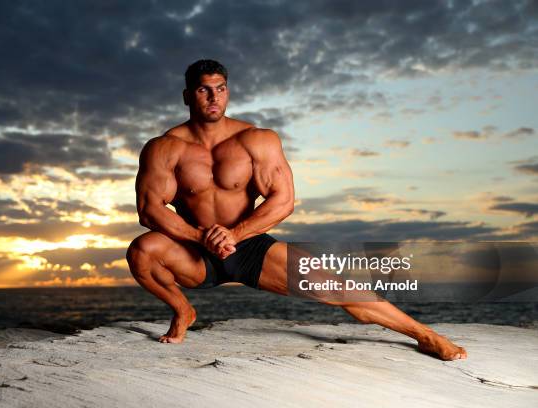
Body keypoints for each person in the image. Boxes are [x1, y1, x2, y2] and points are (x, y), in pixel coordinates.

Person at [126, 59, 467, 360]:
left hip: (247, 245)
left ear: (228, 93)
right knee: (142, 250)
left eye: (221, 89)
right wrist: (202, 236)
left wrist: (234, 233)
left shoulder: (256, 140)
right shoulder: (164, 148)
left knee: (340, 290)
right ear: (188, 96)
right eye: (204, 90)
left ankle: (425, 335)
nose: (214, 97)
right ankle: (183, 310)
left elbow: (283, 200)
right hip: (194, 249)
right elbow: (149, 209)